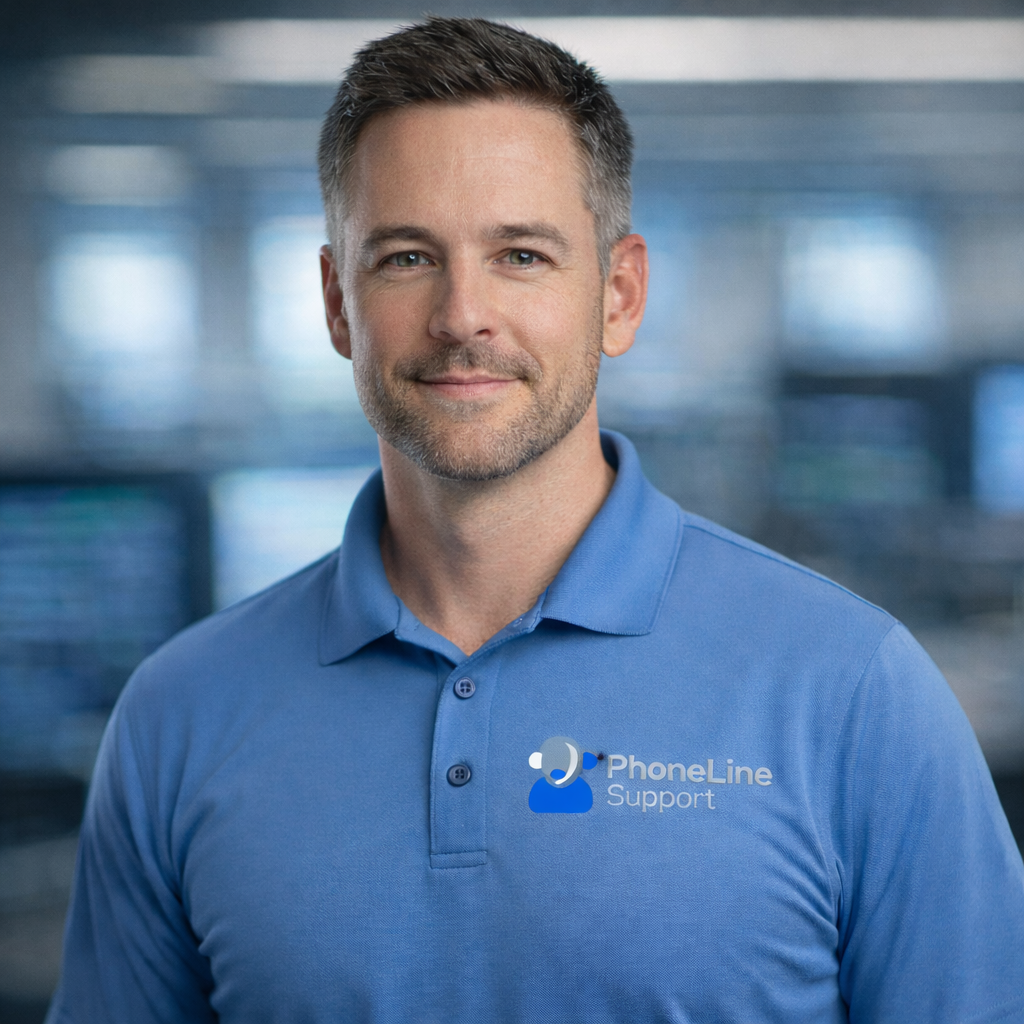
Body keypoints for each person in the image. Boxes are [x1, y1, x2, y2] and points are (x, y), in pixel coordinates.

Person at [48, 17, 1024, 1024]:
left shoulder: (852, 690)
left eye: (520, 254)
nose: (461, 315)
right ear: (337, 303)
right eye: (406, 257)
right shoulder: (178, 715)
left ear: (619, 294)